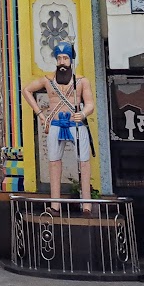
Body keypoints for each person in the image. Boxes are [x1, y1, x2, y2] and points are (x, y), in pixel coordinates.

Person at [24, 45, 95, 212]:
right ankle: (55, 204)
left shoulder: (82, 81)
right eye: (59, 58)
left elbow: (90, 103)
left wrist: (83, 114)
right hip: (55, 124)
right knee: (54, 163)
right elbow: (26, 90)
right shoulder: (47, 80)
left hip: (75, 124)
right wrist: (40, 114)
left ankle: (87, 204)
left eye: (65, 58)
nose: (62, 62)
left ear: (71, 60)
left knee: (84, 163)